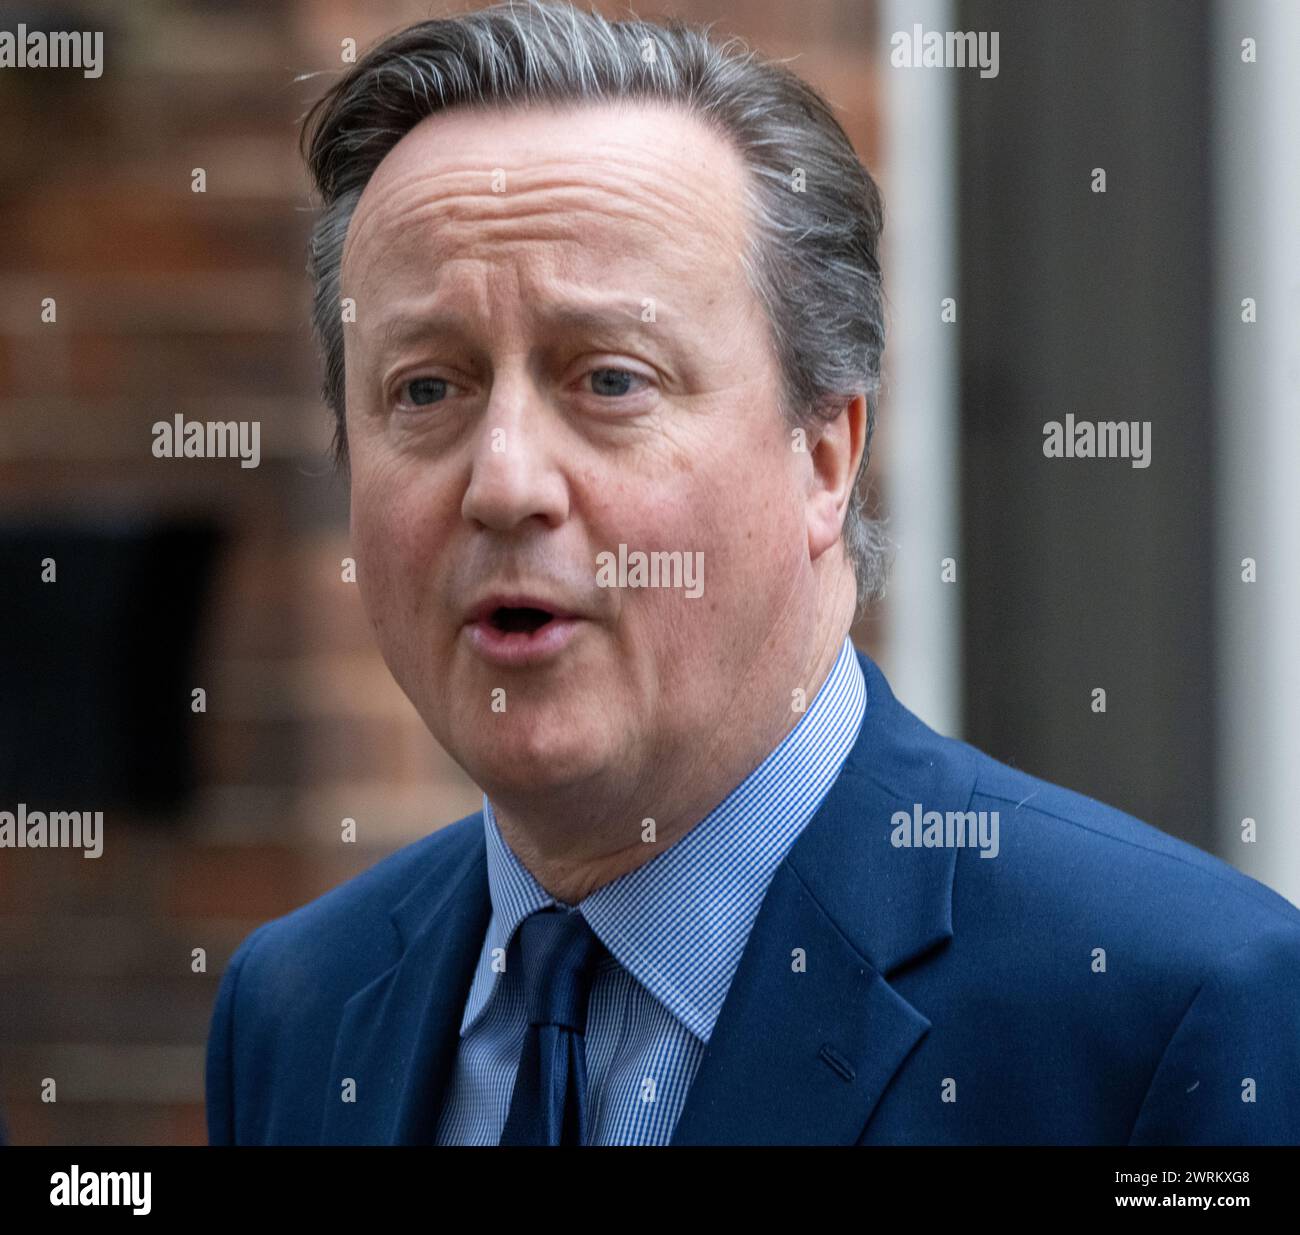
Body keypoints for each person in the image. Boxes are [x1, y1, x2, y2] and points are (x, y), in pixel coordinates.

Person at [205, 0, 1300, 1146]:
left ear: (824, 454)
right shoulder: (296, 1010)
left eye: (611, 380)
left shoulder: (1175, 1010)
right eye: (426, 388)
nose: (504, 480)